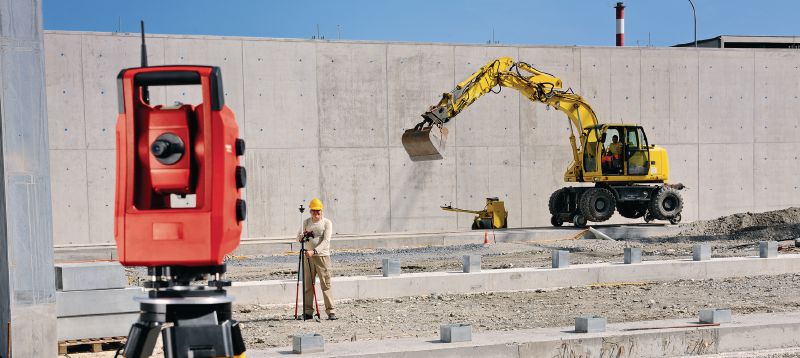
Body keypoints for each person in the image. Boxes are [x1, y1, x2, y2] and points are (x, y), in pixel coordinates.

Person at [297, 197, 337, 320]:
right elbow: (298, 238)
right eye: (313, 210)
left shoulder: (326, 223)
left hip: (322, 257)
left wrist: (314, 251)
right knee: (308, 285)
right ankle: (308, 312)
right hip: (308, 258)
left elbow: (326, 241)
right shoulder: (306, 222)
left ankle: (331, 312)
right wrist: (301, 236)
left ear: (321, 211)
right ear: (310, 211)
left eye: (318, 210)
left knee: (326, 284)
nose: (315, 213)